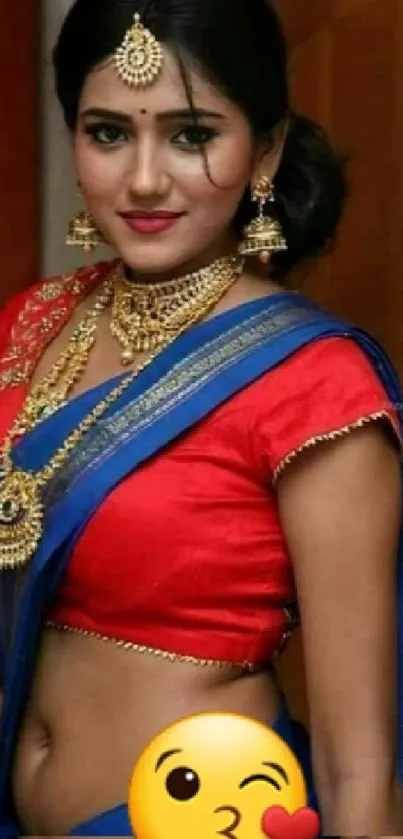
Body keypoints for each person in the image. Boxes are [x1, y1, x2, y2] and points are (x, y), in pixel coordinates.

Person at [0, 0, 402, 835]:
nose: (144, 179)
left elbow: (356, 760)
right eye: (109, 132)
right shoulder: (32, 323)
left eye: (190, 135)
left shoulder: (312, 380)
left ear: (266, 148)